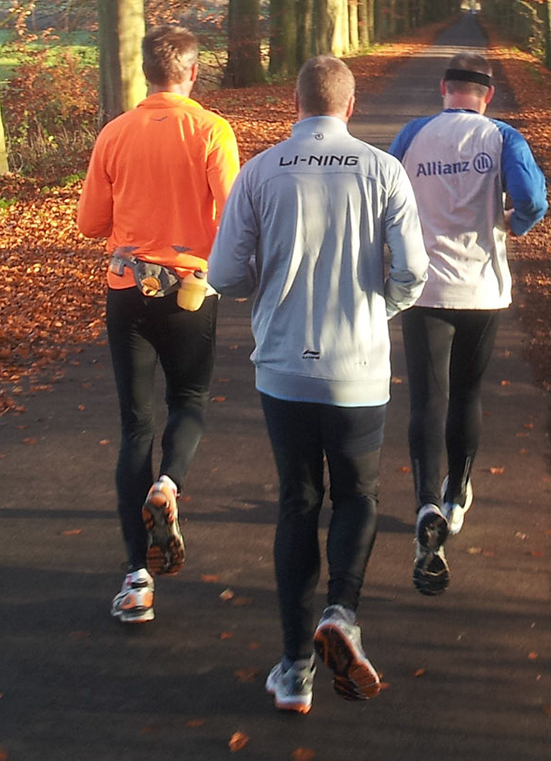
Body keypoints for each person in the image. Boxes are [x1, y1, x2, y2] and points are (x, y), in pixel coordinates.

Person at [206, 55, 427, 714]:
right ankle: (342, 612)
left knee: (298, 504)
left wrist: (263, 288)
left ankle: (296, 669)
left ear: (294, 105)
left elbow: (223, 274)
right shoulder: (384, 170)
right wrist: (379, 309)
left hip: (283, 365)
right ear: (351, 106)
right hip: (358, 367)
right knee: (357, 496)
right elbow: (413, 270)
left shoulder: (260, 170)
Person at [76, 24, 239, 625]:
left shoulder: (114, 134)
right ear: (194, 72)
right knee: (190, 398)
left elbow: (91, 223)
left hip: (128, 290)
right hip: (191, 290)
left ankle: (136, 581)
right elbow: (234, 214)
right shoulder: (211, 130)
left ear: (145, 70)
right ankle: (168, 485)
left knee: (134, 427)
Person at [389, 49, 548, 596]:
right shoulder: (504, 138)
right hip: (481, 287)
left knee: (428, 400)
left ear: (443, 88)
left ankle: (425, 502)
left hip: (424, 289)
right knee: (467, 396)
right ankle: (456, 495)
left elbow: (388, 198)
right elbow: (532, 200)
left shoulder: (412, 135)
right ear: (488, 95)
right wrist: (512, 223)